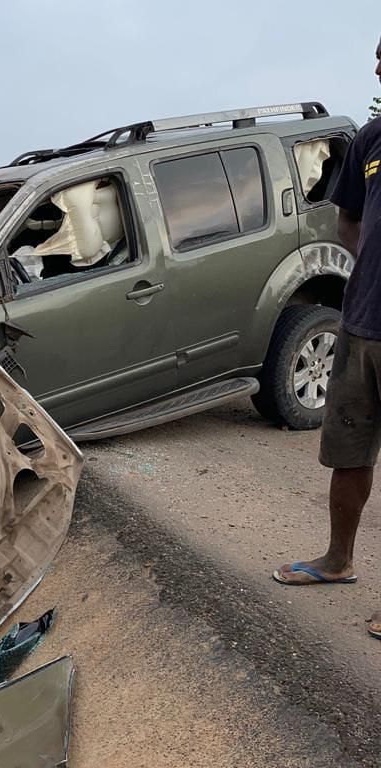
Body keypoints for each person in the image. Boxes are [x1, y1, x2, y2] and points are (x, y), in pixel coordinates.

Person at [273, 38, 381, 642]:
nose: (378, 65)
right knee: (348, 453)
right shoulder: (371, 139)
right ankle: (338, 561)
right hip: (361, 323)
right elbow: (348, 219)